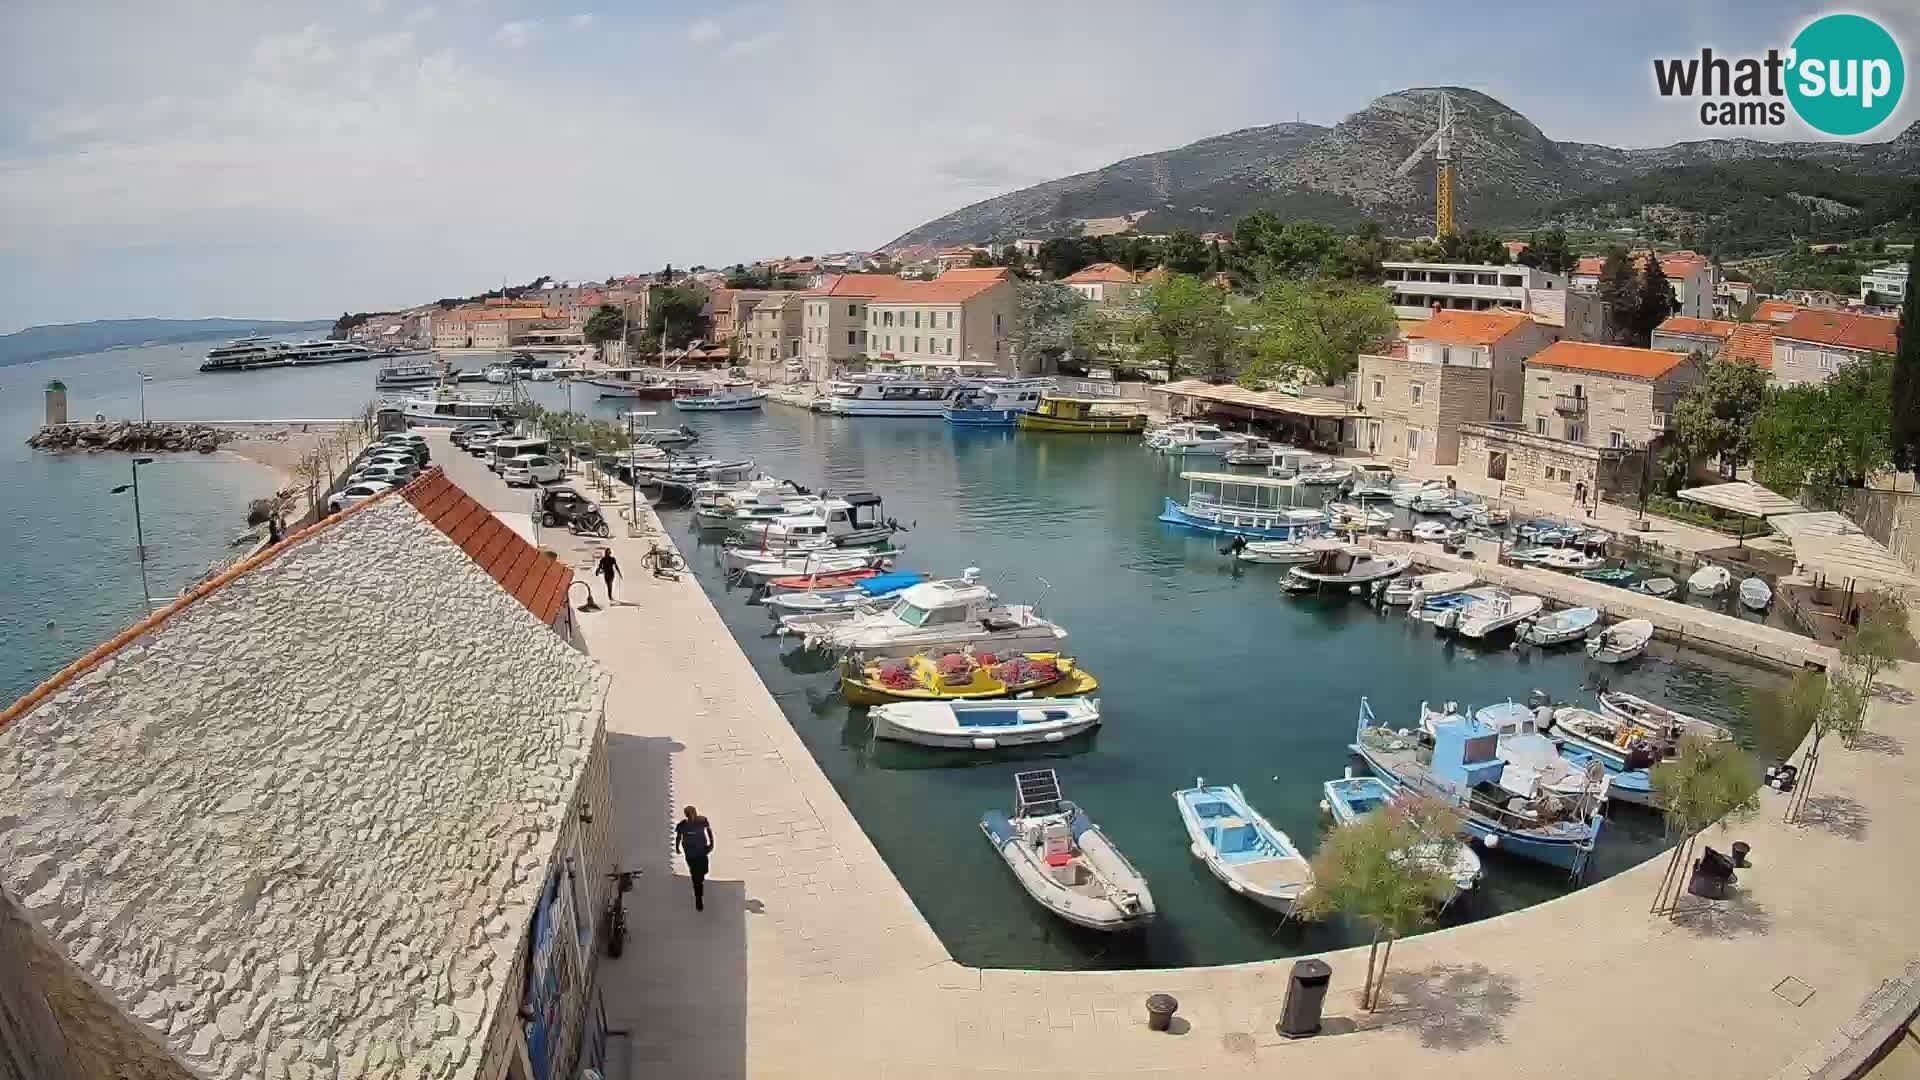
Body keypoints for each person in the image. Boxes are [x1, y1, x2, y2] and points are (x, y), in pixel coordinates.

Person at [674, 805, 714, 911]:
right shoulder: (682, 825)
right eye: (689, 814)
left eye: (692, 814)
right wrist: (677, 847)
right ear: (686, 815)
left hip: (702, 852)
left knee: (704, 871)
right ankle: (698, 898)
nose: (691, 816)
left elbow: (708, 831)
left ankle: (700, 879)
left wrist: (711, 844)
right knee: (696, 876)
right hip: (691, 855)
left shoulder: (702, 821)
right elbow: (679, 836)